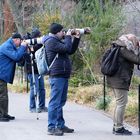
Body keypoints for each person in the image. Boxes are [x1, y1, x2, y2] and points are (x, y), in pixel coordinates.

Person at [43, 23, 81, 136]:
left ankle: (60, 125)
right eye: (62, 31)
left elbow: (70, 50)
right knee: (54, 102)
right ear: (57, 32)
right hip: (57, 75)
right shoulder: (51, 41)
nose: (64, 33)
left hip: (63, 75)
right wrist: (69, 36)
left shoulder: (57, 41)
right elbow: (66, 47)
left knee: (60, 102)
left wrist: (77, 39)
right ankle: (51, 127)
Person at [106, 34, 140, 135]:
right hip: (119, 80)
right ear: (129, 41)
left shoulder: (118, 46)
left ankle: (116, 126)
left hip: (116, 79)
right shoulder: (123, 49)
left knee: (119, 103)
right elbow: (138, 60)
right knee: (121, 103)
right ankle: (118, 128)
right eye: (134, 41)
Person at [0, 33, 27, 122]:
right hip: (1, 74)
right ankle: (1, 115)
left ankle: (4, 113)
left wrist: (25, 50)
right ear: (16, 39)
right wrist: (23, 47)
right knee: (2, 95)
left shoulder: (10, 46)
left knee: (4, 95)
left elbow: (19, 58)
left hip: (2, 74)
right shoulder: (6, 46)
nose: (20, 43)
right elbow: (16, 56)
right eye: (20, 41)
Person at [23, 28, 48, 113]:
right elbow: (31, 53)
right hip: (31, 69)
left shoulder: (39, 43)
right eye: (39, 36)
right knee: (34, 88)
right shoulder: (29, 43)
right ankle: (32, 107)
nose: (40, 37)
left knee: (41, 88)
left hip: (39, 69)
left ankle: (42, 106)